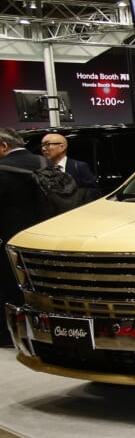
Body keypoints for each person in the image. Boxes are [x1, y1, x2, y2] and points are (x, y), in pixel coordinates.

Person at [0, 127, 46, 345]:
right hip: (46, 236)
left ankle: (10, 334)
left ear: (3, 146)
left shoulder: (3, 170)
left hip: (11, 237)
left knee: (12, 287)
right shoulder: (44, 163)